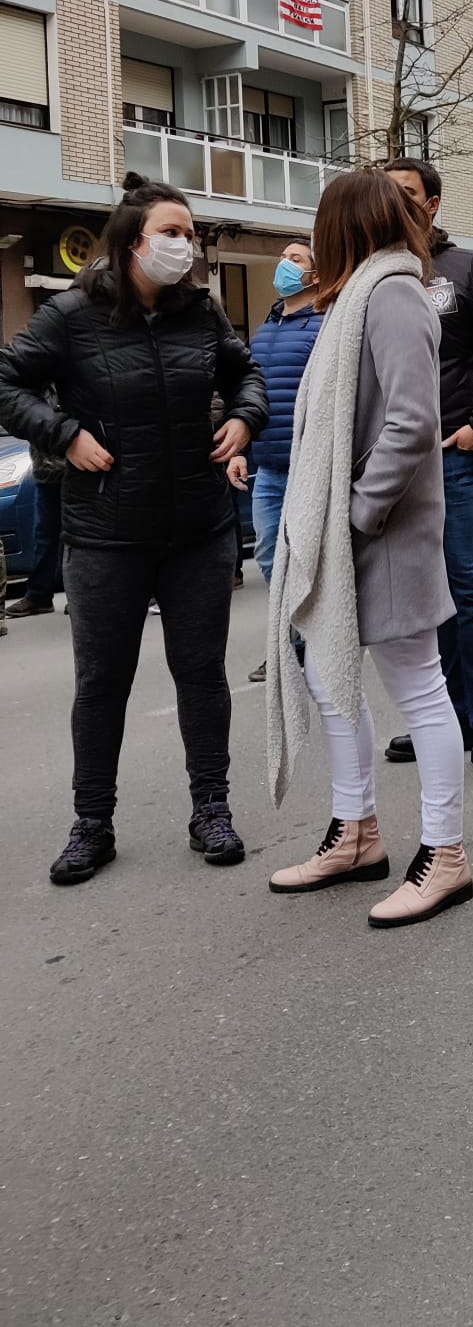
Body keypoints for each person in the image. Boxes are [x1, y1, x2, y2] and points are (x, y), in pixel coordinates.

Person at [0, 175, 268, 885]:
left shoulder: (201, 312)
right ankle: (92, 823)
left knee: (201, 675)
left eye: (190, 234)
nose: (186, 246)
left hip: (199, 529)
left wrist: (245, 418)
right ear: (130, 243)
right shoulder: (69, 315)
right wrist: (64, 434)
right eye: (172, 233)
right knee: (101, 682)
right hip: (105, 535)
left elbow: (247, 375)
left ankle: (211, 810)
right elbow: (7, 383)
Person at [265, 168, 473, 927]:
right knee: (331, 680)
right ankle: (356, 835)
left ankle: (446, 855)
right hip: (355, 534)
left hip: (382, 534)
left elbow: (413, 421)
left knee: (417, 688)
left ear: (342, 228)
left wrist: (355, 513)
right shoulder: (362, 293)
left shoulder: (389, 294)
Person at [379, 159, 473, 775]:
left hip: (458, 460)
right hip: (396, 467)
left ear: (432, 203)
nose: (394, 202)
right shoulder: (373, 273)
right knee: (424, 599)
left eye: (406, 193)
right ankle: (441, 718)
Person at [241, 241, 321, 683]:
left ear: (314, 275)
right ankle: (291, 643)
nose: (283, 265)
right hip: (269, 466)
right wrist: (241, 450)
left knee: (308, 562)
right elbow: (250, 395)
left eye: (295, 260)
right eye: (283, 257)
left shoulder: (324, 323)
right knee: (270, 555)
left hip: (308, 466)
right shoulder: (267, 327)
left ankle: (311, 645)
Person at [7, 434, 64, 618]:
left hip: (80, 469)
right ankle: (39, 596)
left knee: (80, 535)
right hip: (45, 470)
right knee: (44, 534)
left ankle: (80, 596)